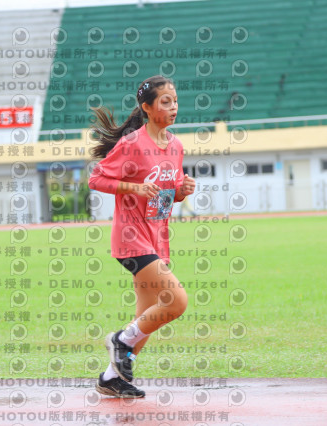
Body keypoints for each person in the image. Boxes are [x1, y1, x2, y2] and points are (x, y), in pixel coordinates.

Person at [88, 75, 196, 398]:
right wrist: (133, 187)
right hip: (131, 237)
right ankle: (119, 340)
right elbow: (97, 179)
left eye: (175, 101)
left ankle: (111, 378)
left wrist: (182, 191)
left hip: (156, 238)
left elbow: (167, 195)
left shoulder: (176, 146)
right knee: (176, 301)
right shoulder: (132, 143)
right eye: (165, 101)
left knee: (145, 317)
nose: (173, 107)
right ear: (147, 108)